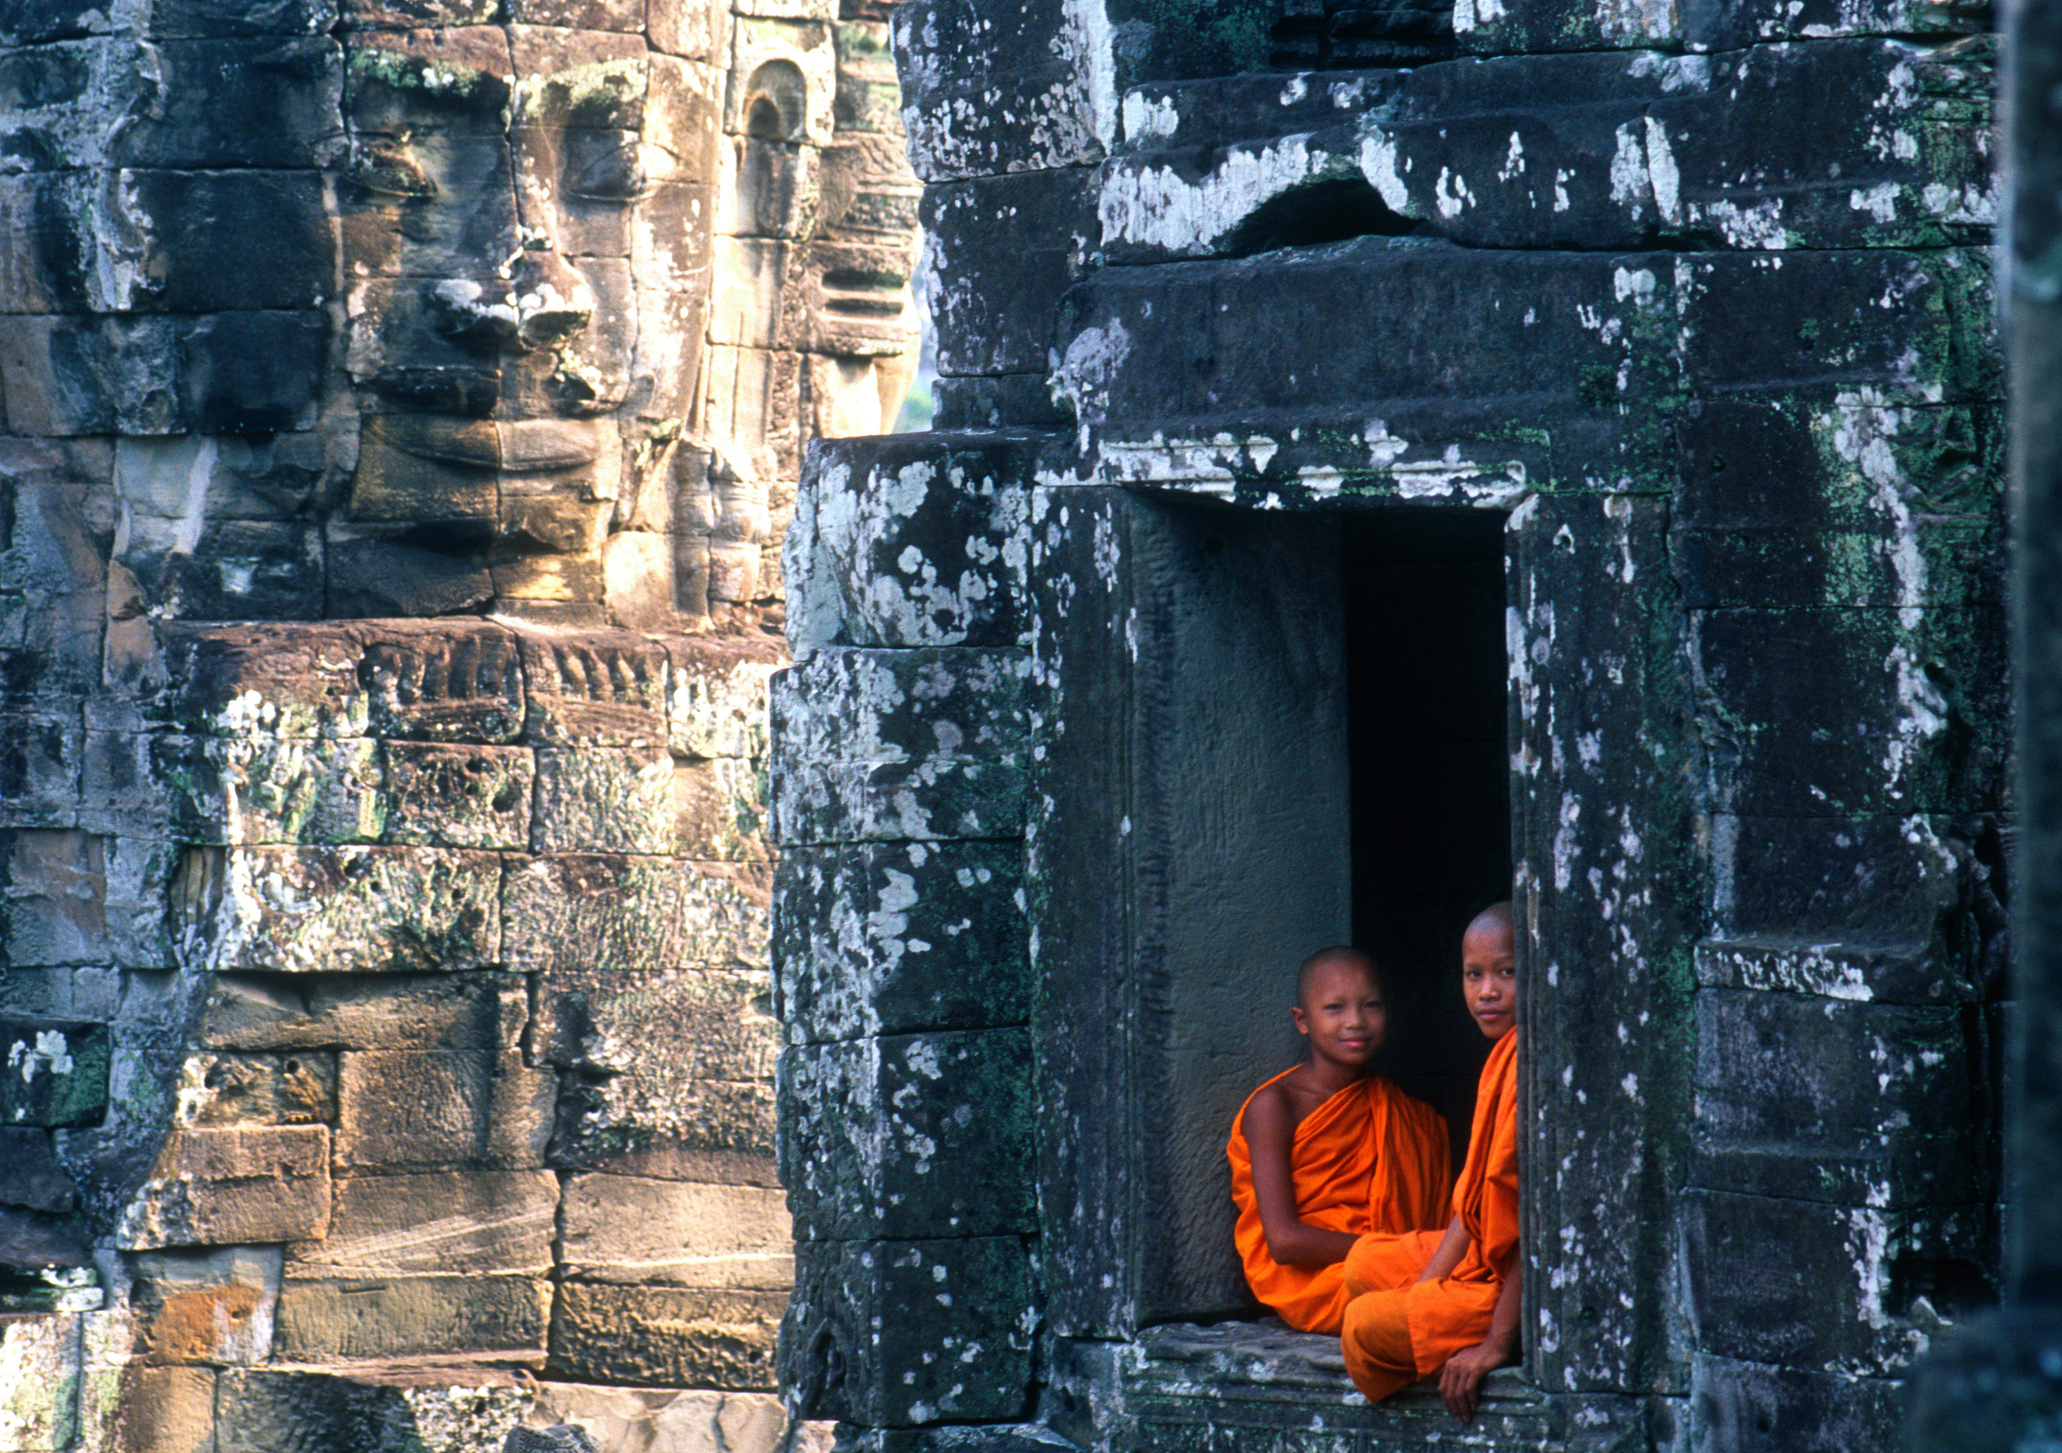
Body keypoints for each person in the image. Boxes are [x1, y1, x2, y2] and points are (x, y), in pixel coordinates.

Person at [1339, 902, 1520, 1422]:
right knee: (1362, 1266)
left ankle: (1507, 1330)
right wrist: (1428, 1290)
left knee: (1365, 1327)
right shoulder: (1501, 1057)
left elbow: (1537, 1231)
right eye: (1474, 974)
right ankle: (1448, 1310)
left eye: (1507, 972)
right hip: (1485, 1264)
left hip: (1523, 1288)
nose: (1487, 991)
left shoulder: (1536, 1063)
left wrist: (1494, 1345)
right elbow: (1474, 1198)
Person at [1226, 947, 1451, 1334]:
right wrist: (1399, 1252)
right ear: (1302, 1020)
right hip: (1320, 1283)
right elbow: (1284, 1242)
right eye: (1334, 1008)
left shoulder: (1408, 1116)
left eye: (1371, 1005)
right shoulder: (1275, 1106)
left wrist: (1416, 1254)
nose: (1356, 1021)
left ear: (1389, 1013)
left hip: (1402, 1266)